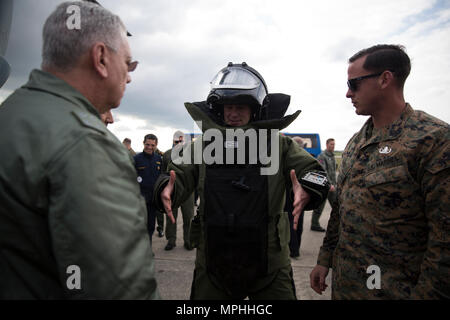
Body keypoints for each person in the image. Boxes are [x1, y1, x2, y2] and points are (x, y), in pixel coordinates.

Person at [0, 1, 159, 299]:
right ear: (100, 58)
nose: (129, 76)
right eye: (128, 64)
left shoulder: (12, 113)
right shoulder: (86, 143)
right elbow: (119, 289)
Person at [154, 62, 329, 300]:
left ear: (255, 109)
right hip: (213, 262)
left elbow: (314, 172)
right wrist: (167, 187)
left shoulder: (278, 144)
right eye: (228, 107)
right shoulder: (204, 145)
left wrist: (309, 189)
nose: (233, 114)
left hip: (269, 264)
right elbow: (179, 174)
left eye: (240, 107)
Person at [310, 44, 450, 299]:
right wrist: (325, 259)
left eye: (354, 84)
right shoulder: (356, 142)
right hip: (346, 287)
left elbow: (444, 241)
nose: (347, 93)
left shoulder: (433, 140)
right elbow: (341, 209)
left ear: (385, 79)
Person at [161, 130, 195, 251]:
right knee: (171, 217)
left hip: (188, 192)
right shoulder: (167, 155)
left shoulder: (191, 154)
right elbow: (163, 174)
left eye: (181, 140)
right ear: (173, 141)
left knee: (188, 217)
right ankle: (171, 240)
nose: (179, 142)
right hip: (172, 192)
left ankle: (188, 240)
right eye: (177, 140)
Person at [134, 134, 163, 242]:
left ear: (156, 145)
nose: (149, 147)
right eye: (147, 144)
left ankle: (148, 250)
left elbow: (161, 177)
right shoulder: (136, 159)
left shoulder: (158, 159)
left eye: (152, 145)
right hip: (140, 200)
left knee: (150, 227)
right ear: (143, 143)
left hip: (153, 201)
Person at [310, 138, 337, 232]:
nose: (333, 146)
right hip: (325, 186)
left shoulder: (333, 156)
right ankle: (314, 224)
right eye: (331, 144)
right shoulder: (322, 156)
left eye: (334, 144)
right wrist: (329, 184)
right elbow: (323, 172)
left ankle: (337, 225)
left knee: (336, 205)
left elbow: (333, 172)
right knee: (319, 206)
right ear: (327, 145)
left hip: (333, 186)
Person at [286, 137, 306, 259]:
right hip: (301, 196)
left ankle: (293, 250)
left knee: (291, 223)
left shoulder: (289, 159)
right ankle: (296, 248)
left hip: (290, 196)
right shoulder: (305, 159)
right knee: (298, 223)